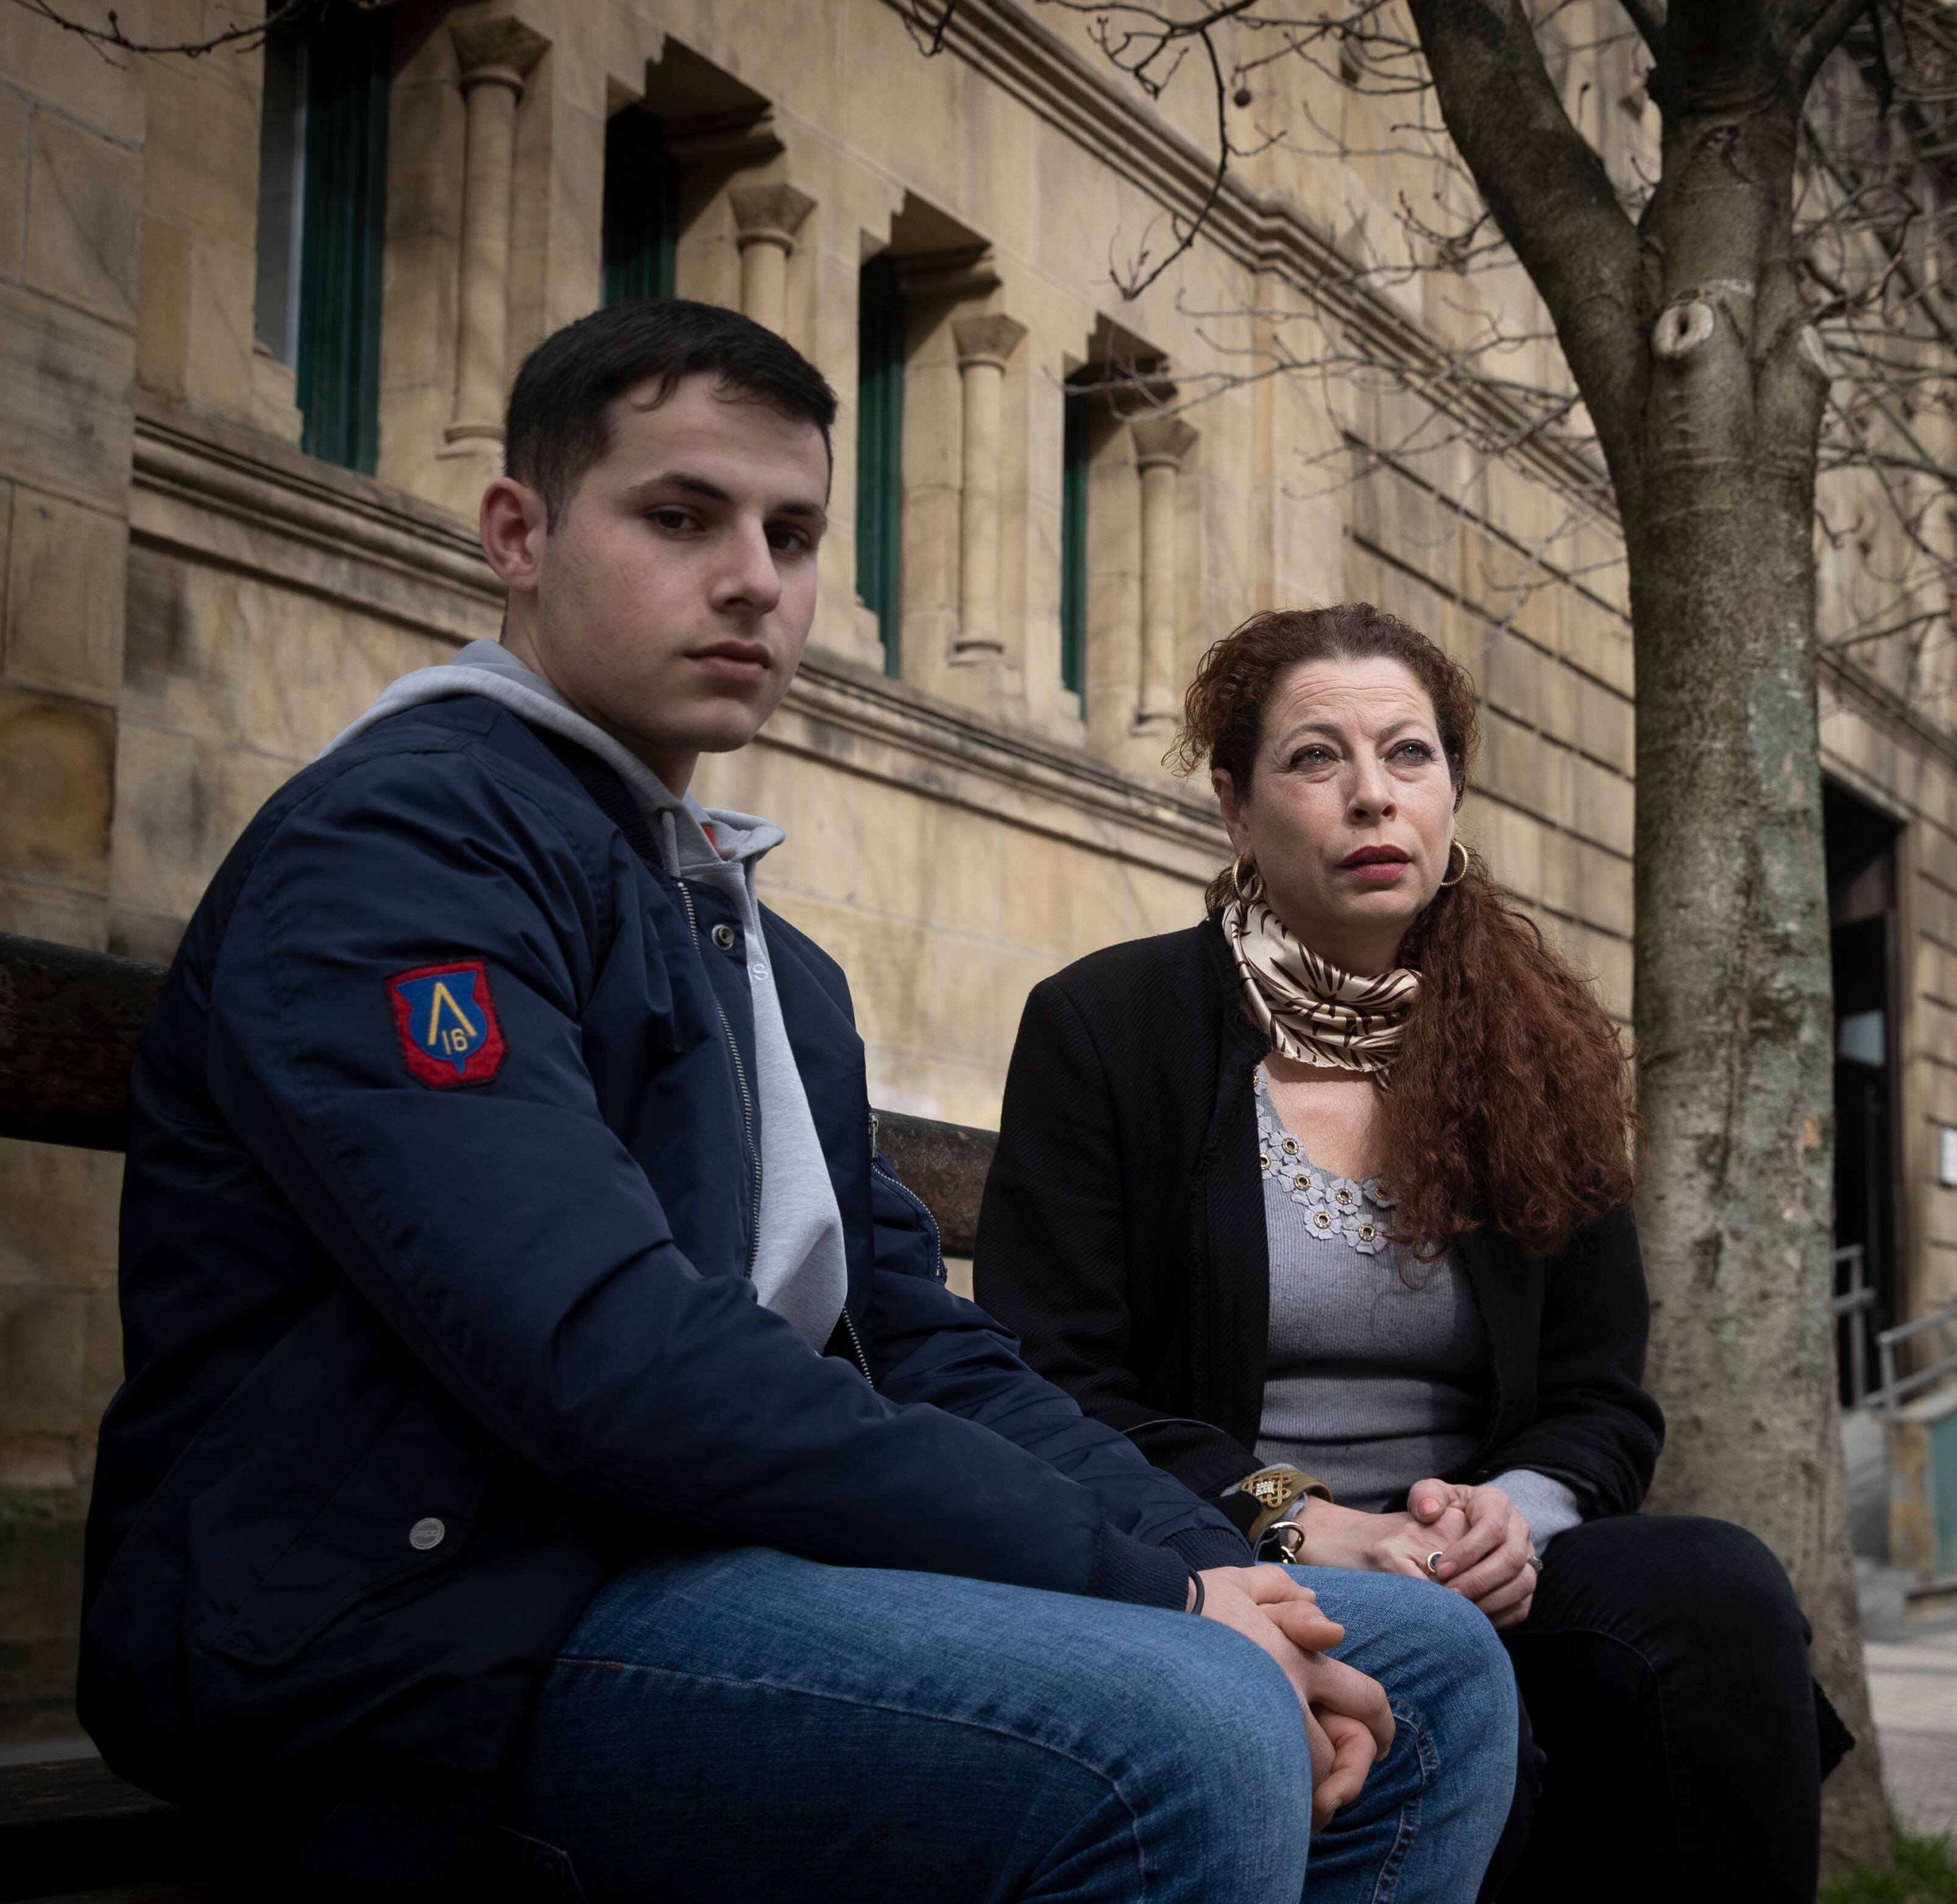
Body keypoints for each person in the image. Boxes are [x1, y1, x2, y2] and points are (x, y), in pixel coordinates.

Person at [79, 303, 1515, 1904]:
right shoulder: (404, 852)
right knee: (1179, 1722)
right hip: (418, 1631)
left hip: (683, 1573)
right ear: (517, 533)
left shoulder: (755, 944)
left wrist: (1237, 1556)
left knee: (1432, 1668)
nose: (752, 576)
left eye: (794, 530)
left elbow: (913, 1334)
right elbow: (609, 1355)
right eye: (679, 516)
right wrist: (1159, 1593)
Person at [973, 603, 1853, 1904]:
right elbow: (1063, 1384)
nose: (1373, 797)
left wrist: (1520, 1518)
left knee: (1715, 1588)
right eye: (1317, 759)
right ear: (1235, 807)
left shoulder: (1539, 1044)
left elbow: (1602, 1398)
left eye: (1409, 756)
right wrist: (1306, 1519)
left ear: (1451, 793)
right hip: (1226, 1551)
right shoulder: (1112, 1028)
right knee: (1440, 1654)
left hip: (1472, 1566)